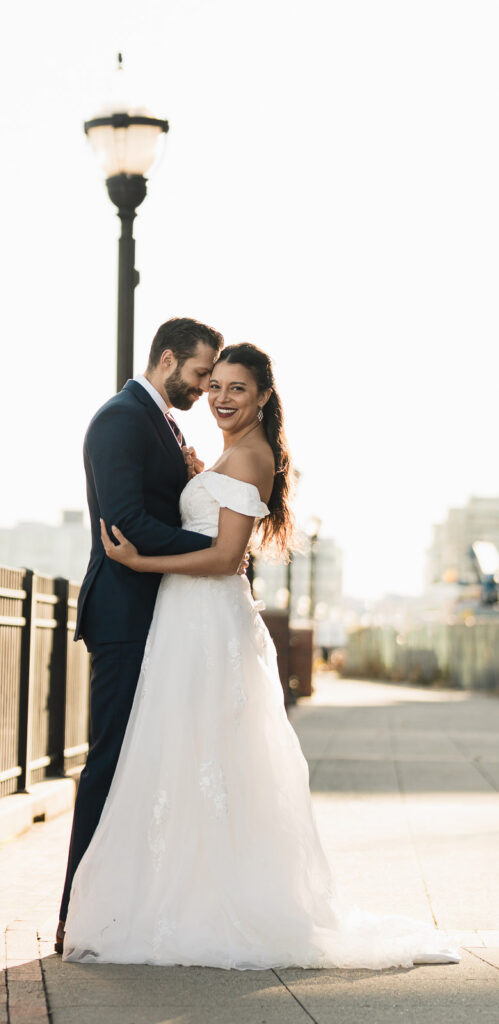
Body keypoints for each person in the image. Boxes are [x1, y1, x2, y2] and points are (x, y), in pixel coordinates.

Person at [62, 343, 460, 970]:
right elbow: (211, 523)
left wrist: (142, 560)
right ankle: (168, 895)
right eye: (213, 384)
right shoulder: (227, 453)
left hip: (206, 616)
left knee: (207, 755)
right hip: (185, 620)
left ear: (263, 397)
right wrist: (197, 473)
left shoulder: (252, 457)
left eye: (235, 389)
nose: (219, 397)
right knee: (181, 754)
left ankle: (205, 903)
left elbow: (224, 558)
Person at [55, 317, 226, 954]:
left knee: (152, 765)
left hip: (166, 614)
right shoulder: (120, 418)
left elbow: (160, 505)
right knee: (111, 764)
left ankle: (132, 907)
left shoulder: (166, 425)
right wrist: (215, 548)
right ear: (166, 360)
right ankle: (77, 914)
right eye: (200, 374)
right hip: (126, 615)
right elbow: (124, 522)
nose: (207, 387)